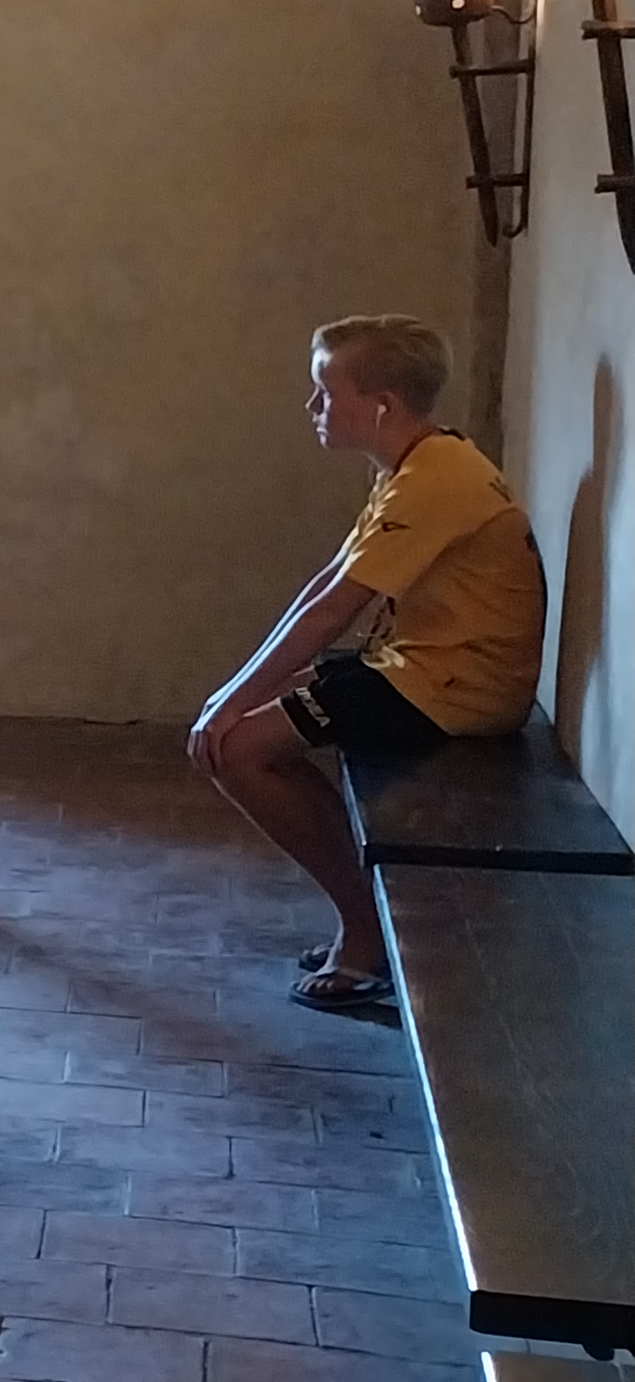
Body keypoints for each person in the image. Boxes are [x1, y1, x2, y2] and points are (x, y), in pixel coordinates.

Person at [190, 314, 545, 1011]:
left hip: (454, 689)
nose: (312, 406)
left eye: (326, 392)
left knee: (236, 750)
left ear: (382, 404)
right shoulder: (415, 464)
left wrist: (231, 703)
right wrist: (233, 692)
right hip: (420, 669)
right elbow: (326, 585)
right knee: (242, 735)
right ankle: (366, 914)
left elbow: (333, 613)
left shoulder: (436, 479)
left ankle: (366, 930)